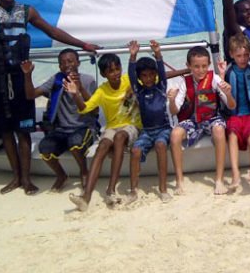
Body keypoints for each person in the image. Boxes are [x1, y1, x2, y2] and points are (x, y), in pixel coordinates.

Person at [0, 0, 99, 195]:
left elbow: (52, 31)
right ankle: (16, 178)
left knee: (23, 130)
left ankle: (27, 179)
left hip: (21, 78)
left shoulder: (26, 11)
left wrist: (83, 45)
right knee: (6, 132)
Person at [64, 53, 141, 211]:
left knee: (119, 137)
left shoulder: (129, 80)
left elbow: (155, 76)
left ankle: (110, 190)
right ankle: (86, 197)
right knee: (103, 146)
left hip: (132, 125)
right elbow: (84, 108)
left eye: (117, 68)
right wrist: (75, 94)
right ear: (103, 74)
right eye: (111, 71)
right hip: (112, 127)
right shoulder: (102, 91)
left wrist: (184, 71)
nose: (116, 73)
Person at [22, 49, 98, 192]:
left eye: (70, 61)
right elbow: (30, 95)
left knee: (75, 144)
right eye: (62, 63)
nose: (67, 65)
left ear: (78, 63)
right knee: (44, 148)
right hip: (61, 129)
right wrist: (27, 75)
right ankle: (61, 175)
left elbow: (95, 111)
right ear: (59, 66)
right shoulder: (56, 80)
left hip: (84, 127)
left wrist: (80, 88)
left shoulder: (88, 80)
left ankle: (84, 172)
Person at [168, 46, 235, 195]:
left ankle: (219, 180)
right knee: (175, 135)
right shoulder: (184, 83)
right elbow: (174, 111)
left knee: (219, 130)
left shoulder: (215, 79)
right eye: (196, 67)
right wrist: (172, 101)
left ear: (209, 65)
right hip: (193, 121)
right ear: (189, 66)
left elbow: (231, 105)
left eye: (204, 66)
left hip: (212, 118)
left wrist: (228, 94)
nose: (201, 70)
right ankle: (179, 181)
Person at [219, 34, 250, 188]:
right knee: (232, 135)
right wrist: (221, 75)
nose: (243, 59)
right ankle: (235, 174)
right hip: (234, 115)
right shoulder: (229, 72)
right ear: (231, 54)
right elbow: (222, 97)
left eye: (246, 55)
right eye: (239, 56)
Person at [127, 40, 173, 203]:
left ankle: (163, 189)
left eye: (151, 75)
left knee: (160, 145)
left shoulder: (161, 86)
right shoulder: (139, 91)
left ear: (155, 74)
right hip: (147, 131)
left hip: (163, 129)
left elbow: (161, 70)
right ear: (140, 78)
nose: (148, 78)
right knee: (135, 151)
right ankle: (133, 191)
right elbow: (131, 76)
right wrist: (133, 56)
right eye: (144, 76)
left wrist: (158, 53)